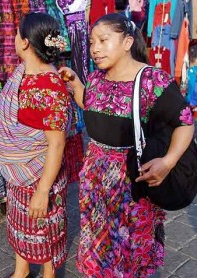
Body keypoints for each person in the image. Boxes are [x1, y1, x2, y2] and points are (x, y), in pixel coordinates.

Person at [59, 13, 195, 277]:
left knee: (130, 251)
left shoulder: (152, 81)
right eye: (91, 42)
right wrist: (76, 84)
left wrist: (167, 162)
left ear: (127, 41)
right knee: (99, 248)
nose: (95, 48)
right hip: (96, 182)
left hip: (131, 182)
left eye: (103, 40)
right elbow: (94, 107)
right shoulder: (97, 78)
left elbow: (185, 122)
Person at [0, 12, 72, 278]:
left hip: (40, 175)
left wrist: (42, 190)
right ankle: (21, 271)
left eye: (16, 34)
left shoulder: (48, 86)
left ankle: (49, 275)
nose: (14, 39)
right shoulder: (24, 74)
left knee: (44, 228)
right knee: (21, 224)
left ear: (25, 42)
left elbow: (56, 144)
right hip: (21, 174)